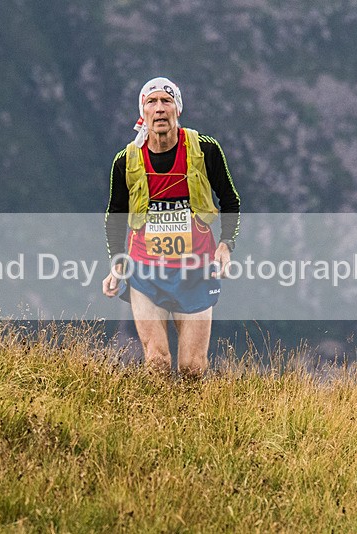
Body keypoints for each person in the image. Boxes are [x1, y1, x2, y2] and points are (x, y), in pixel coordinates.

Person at [103, 76, 240, 377]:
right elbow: (115, 214)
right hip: (144, 271)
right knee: (158, 362)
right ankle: (157, 424)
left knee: (192, 368)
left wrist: (225, 245)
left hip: (196, 271)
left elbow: (231, 200)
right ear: (143, 113)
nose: (160, 108)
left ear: (178, 108)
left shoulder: (205, 150)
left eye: (166, 101)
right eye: (151, 102)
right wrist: (116, 262)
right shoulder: (125, 161)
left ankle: (192, 423)